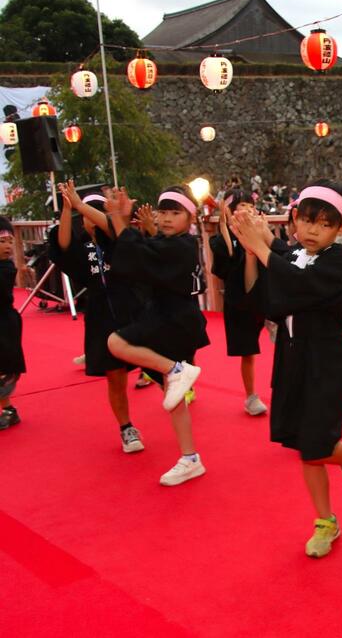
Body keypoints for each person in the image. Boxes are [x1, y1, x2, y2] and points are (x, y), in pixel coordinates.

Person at [231, 180, 342, 558]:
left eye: (325, 224)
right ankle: (325, 521)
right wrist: (250, 249)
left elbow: (302, 284)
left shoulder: (338, 260)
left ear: (340, 229)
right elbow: (261, 298)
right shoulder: (290, 255)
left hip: (329, 363)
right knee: (304, 449)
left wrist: (263, 247)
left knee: (317, 443)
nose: (312, 230)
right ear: (294, 218)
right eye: (306, 220)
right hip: (293, 360)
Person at [105, 186, 209, 486]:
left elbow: (137, 255)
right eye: (163, 211)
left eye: (175, 213)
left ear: (190, 217)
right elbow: (141, 253)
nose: (166, 218)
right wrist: (122, 219)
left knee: (115, 342)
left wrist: (117, 217)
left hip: (174, 319)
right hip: (171, 317)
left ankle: (175, 369)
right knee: (173, 396)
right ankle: (190, 458)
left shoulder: (181, 246)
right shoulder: (171, 242)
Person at [48, 182, 145, 452]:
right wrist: (69, 208)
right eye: (87, 214)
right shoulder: (82, 247)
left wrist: (91, 209)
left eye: (97, 212)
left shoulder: (117, 240)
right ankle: (127, 428)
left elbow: (118, 229)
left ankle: (177, 399)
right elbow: (63, 245)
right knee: (115, 377)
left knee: (158, 364)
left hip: (132, 308)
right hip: (102, 315)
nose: (91, 218)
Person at [210, 188, 267, 416]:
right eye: (242, 206)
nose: (248, 210)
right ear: (231, 212)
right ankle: (251, 396)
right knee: (247, 350)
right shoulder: (221, 239)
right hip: (239, 301)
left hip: (263, 297)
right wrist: (224, 228)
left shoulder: (261, 231)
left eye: (251, 206)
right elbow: (223, 266)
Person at [0, 215, 24, 430]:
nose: (8, 246)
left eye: (10, 242)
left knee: (4, 368)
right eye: (1, 241)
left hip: (4, 325)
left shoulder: (7, 268)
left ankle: (8, 409)